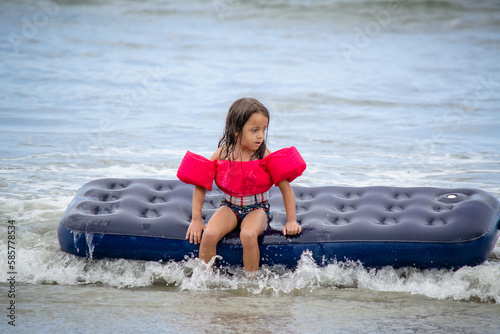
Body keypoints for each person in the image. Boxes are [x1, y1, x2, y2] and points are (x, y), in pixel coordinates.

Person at [177, 97, 306, 273]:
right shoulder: (222, 154)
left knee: (248, 235)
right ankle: (203, 279)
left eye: (263, 129)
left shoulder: (264, 155)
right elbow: (200, 185)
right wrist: (196, 220)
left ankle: (251, 282)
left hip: (257, 208)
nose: (261, 135)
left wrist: (291, 221)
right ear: (237, 130)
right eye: (254, 130)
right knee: (210, 234)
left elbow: (285, 188)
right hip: (229, 206)